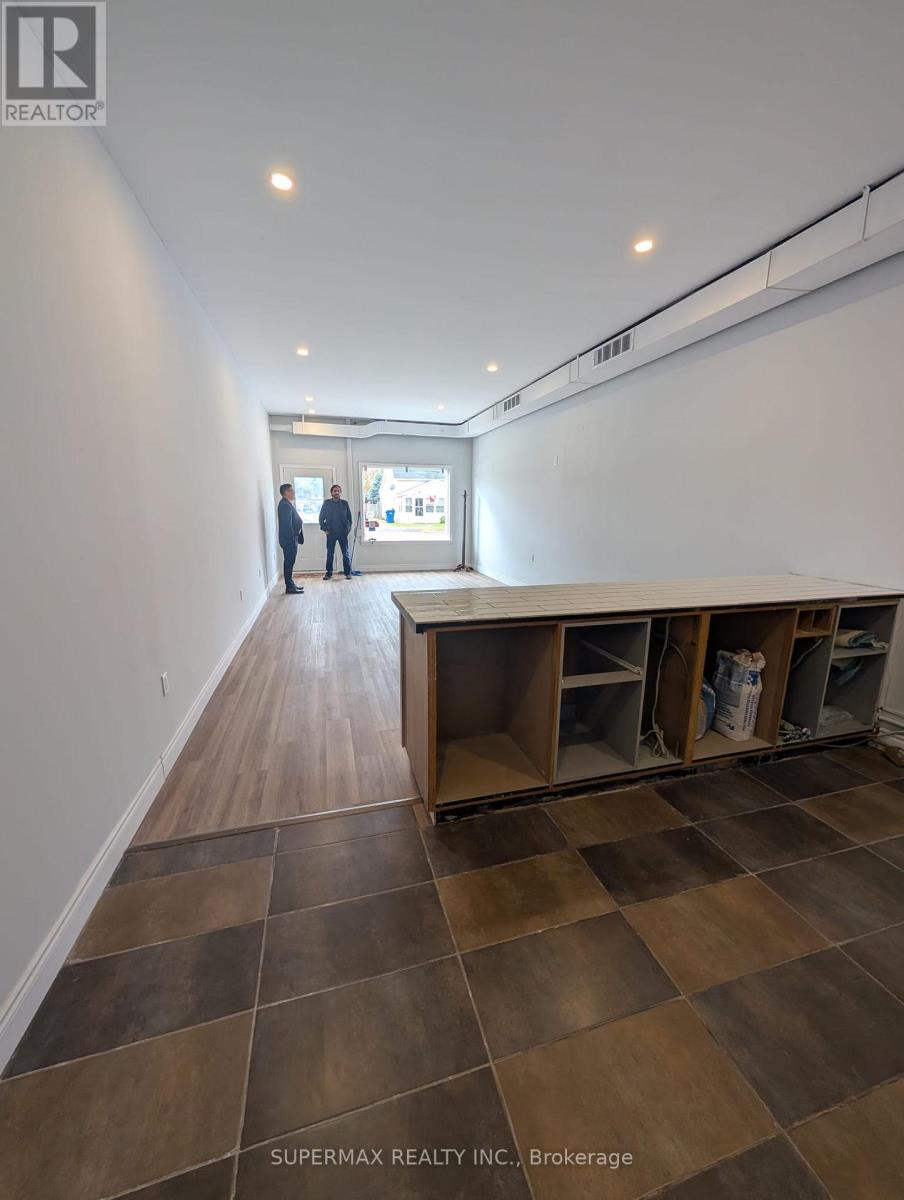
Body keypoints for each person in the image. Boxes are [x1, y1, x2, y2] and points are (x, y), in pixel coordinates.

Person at [319, 483, 354, 579]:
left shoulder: (344, 503)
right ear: (331, 493)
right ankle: (328, 573)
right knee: (330, 554)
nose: (337, 492)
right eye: (335, 491)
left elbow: (349, 518)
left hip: (343, 533)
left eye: (338, 491)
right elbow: (321, 518)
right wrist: (324, 529)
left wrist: (348, 529)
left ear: (340, 492)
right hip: (331, 533)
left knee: (345, 553)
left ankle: (348, 572)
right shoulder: (326, 503)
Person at [277, 484, 304, 595]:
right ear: (286, 492)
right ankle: (289, 587)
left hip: (291, 539)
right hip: (289, 540)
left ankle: (291, 584)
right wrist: (292, 538)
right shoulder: (285, 505)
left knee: (290, 562)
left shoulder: (286, 503)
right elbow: (286, 525)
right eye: (291, 490)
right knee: (289, 563)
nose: (293, 492)